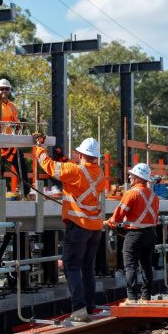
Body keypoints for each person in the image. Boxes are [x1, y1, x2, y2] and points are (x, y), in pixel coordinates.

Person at [33, 135, 105, 322]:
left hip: (78, 226)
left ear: (80, 154)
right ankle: (89, 307)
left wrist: (39, 147)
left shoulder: (75, 171)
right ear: (95, 157)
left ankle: (79, 308)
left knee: (71, 266)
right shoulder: (100, 173)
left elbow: (48, 166)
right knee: (87, 267)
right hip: (95, 227)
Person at [105, 163, 159, 304]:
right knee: (146, 266)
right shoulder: (153, 195)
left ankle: (132, 298)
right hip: (151, 234)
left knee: (130, 266)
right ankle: (146, 297)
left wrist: (109, 222)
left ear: (138, 178)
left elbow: (119, 214)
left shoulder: (131, 193)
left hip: (135, 235)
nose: (129, 177)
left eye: (132, 175)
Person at [0, 78, 29, 198]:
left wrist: (18, 125)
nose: (4, 91)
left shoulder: (12, 107)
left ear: (9, 90)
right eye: (1, 89)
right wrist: (3, 128)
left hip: (11, 143)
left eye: (6, 89)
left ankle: (25, 193)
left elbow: (16, 122)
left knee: (22, 168)